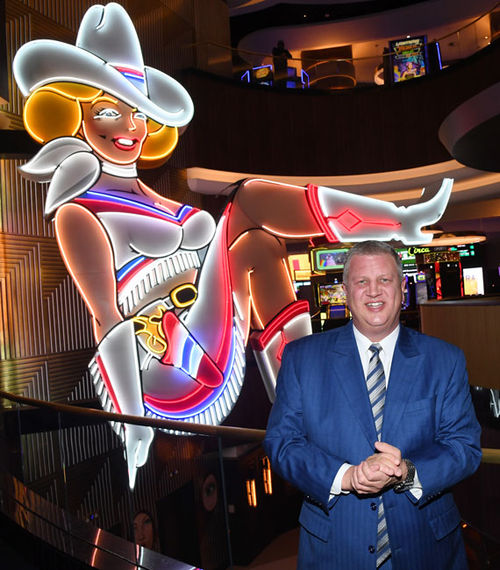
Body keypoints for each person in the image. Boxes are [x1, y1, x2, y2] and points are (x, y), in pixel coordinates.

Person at [14, 3, 454, 488]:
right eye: (107, 111)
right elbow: (105, 317)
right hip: (165, 369)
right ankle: (400, 223)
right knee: (246, 199)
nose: (128, 127)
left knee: (258, 246)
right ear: (73, 113)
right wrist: (133, 425)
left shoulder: (155, 198)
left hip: (204, 337)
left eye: (136, 112)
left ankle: (313, 399)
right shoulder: (81, 212)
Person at [264, 240, 481, 569]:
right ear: (346, 292)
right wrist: (346, 477)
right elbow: (282, 443)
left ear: (402, 287)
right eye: (362, 282)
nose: (373, 291)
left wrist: (408, 472)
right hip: (335, 549)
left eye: (385, 280)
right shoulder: (301, 358)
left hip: (428, 548)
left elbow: (464, 447)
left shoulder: (445, 359)